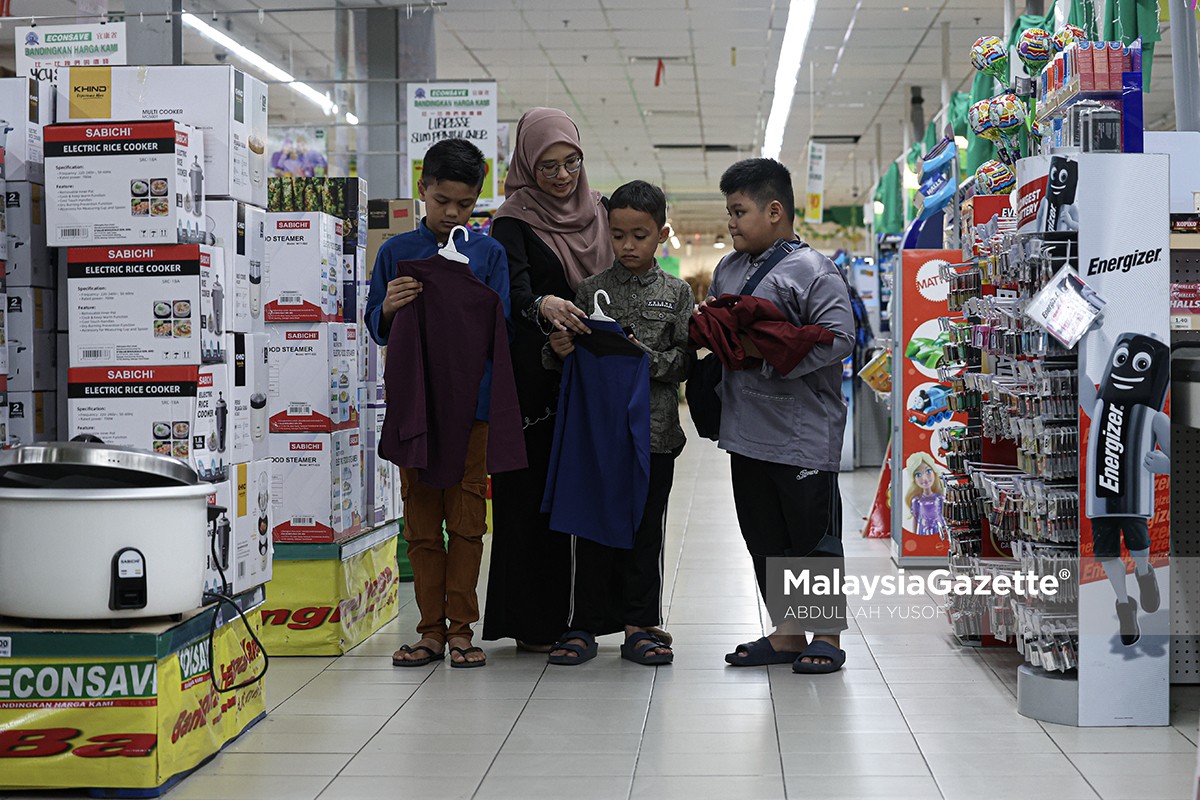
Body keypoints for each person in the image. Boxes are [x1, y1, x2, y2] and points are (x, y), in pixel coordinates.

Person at [364, 138, 510, 669]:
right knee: (422, 523)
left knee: (469, 520)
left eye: (465, 203)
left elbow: (504, 332)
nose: (452, 213)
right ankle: (428, 631)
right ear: (422, 189)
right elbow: (376, 329)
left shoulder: (489, 255)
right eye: (442, 199)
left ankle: (462, 632)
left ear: (478, 200)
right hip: (414, 409)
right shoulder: (395, 253)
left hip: (473, 410)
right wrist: (388, 308)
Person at [706, 158, 856, 674]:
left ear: (775, 210)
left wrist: (769, 352)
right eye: (729, 211)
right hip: (745, 430)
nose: (731, 222)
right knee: (764, 536)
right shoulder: (727, 269)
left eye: (739, 211)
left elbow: (839, 338)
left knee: (811, 537)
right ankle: (789, 634)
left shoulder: (815, 271)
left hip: (801, 433)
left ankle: (827, 635)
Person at [541, 180, 692, 666]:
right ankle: (582, 625)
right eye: (619, 234)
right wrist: (557, 349)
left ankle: (639, 626)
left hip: (655, 433)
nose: (628, 246)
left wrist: (640, 358)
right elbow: (564, 358)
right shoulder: (589, 289)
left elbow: (686, 362)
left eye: (641, 235)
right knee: (591, 529)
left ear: (662, 234)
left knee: (646, 532)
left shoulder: (678, 293)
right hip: (599, 434)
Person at [482, 107, 616, 651]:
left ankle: (595, 620)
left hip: (598, 380)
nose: (562, 177)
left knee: (597, 498)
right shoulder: (511, 219)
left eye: (571, 163)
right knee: (534, 500)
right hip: (538, 383)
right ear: (525, 166)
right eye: (548, 167)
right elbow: (508, 295)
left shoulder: (604, 212)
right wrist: (543, 306)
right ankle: (537, 622)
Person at [904, 452, 946, 538]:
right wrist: (915, 535)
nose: (924, 478)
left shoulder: (940, 498)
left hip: (939, 529)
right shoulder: (916, 500)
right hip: (924, 530)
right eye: (918, 474)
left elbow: (945, 516)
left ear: (934, 472)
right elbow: (915, 518)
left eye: (928, 471)